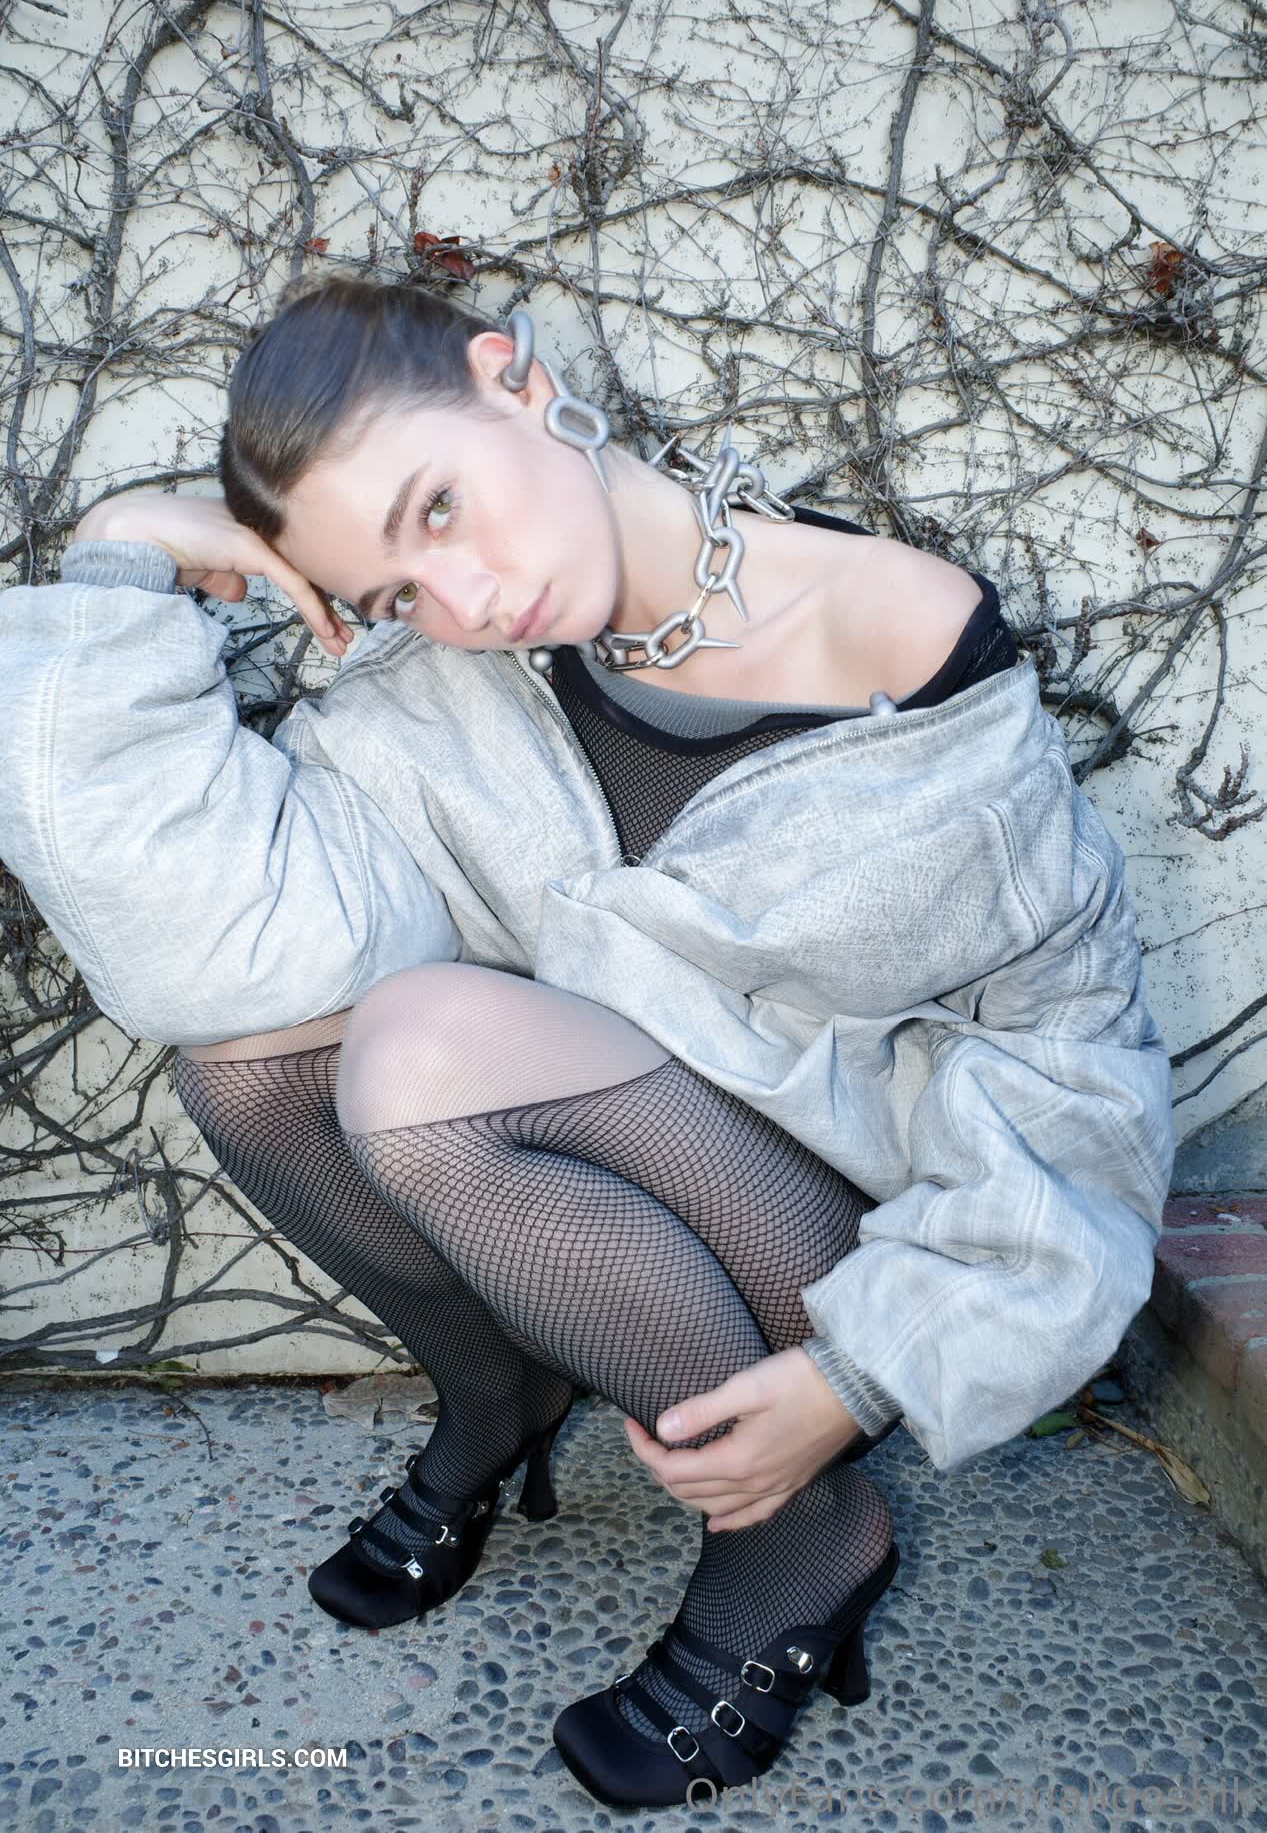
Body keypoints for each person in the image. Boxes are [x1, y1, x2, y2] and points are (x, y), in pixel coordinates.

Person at [0, 275, 1176, 1809]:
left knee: (417, 1048)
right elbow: (205, 950)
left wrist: (864, 1369)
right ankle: (497, 1397)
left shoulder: (900, 644)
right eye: (396, 589)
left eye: (440, 507)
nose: (465, 599)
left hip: (844, 1258)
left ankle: (806, 1535)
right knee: (242, 1065)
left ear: (515, 379)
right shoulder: (449, 685)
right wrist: (127, 555)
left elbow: (1081, 1089)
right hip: (628, 1197)